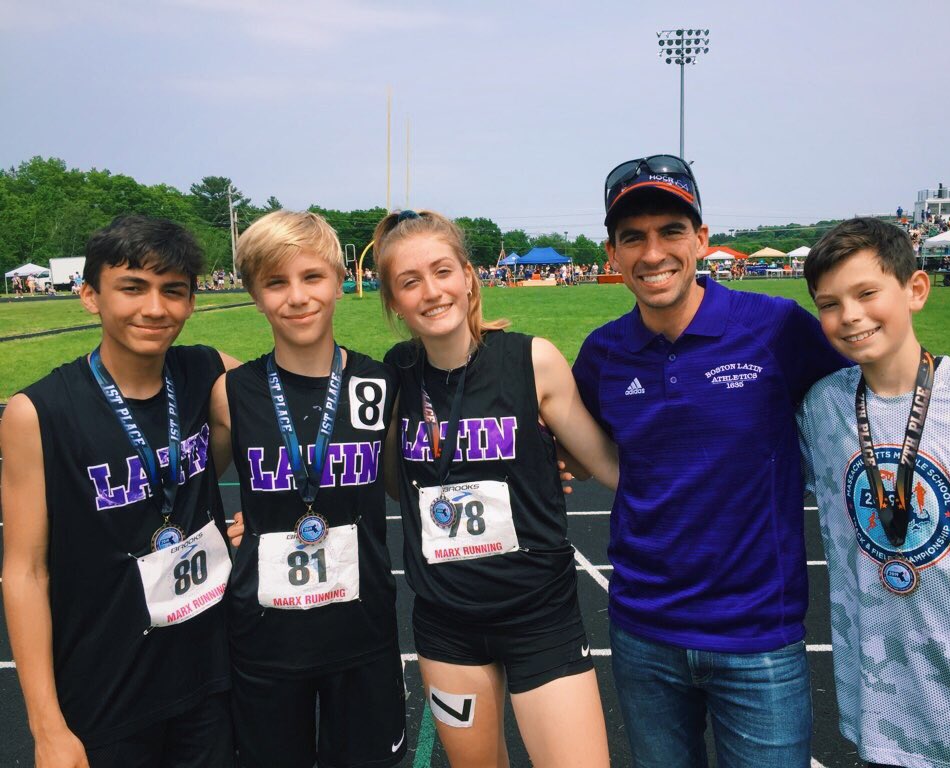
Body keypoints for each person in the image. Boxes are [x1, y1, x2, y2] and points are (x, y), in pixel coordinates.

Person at [570, 155, 950, 768]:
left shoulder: (777, 327)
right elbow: (574, 441)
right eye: (633, 237)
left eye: (671, 231)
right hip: (643, 631)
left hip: (760, 636)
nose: (654, 252)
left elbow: (887, 376)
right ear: (613, 254)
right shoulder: (602, 354)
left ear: (701, 239)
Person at [375, 209, 617, 768]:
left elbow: (604, 464)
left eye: (442, 271)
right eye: (409, 282)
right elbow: (392, 483)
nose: (431, 292)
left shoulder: (532, 360)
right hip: (446, 624)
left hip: (540, 617)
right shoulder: (395, 376)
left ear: (468, 275)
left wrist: (555, 463)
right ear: (392, 300)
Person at [1, 215, 237, 767]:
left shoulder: (208, 371)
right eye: (132, 287)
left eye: (173, 291)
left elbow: (297, 405)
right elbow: (25, 571)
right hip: (106, 689)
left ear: (191, 302)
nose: (154, 308)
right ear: (90, 296)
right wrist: (46, 728)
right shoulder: (39, 412)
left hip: (210, 676)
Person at [797, 217, 950, 768]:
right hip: (885, 717)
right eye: (829, 303)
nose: (849, 315)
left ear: (915, 290)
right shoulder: (820, 411)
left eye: (867, 293)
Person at [210, 210, 406, 768]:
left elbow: (408, 481)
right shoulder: (231, 393)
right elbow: (185, 492)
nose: (297, 297)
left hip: (361, 631)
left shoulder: (380, 382)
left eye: (312, 277)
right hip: (265, 638)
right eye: (276, 282)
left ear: (342, 279)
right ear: (254, 294)